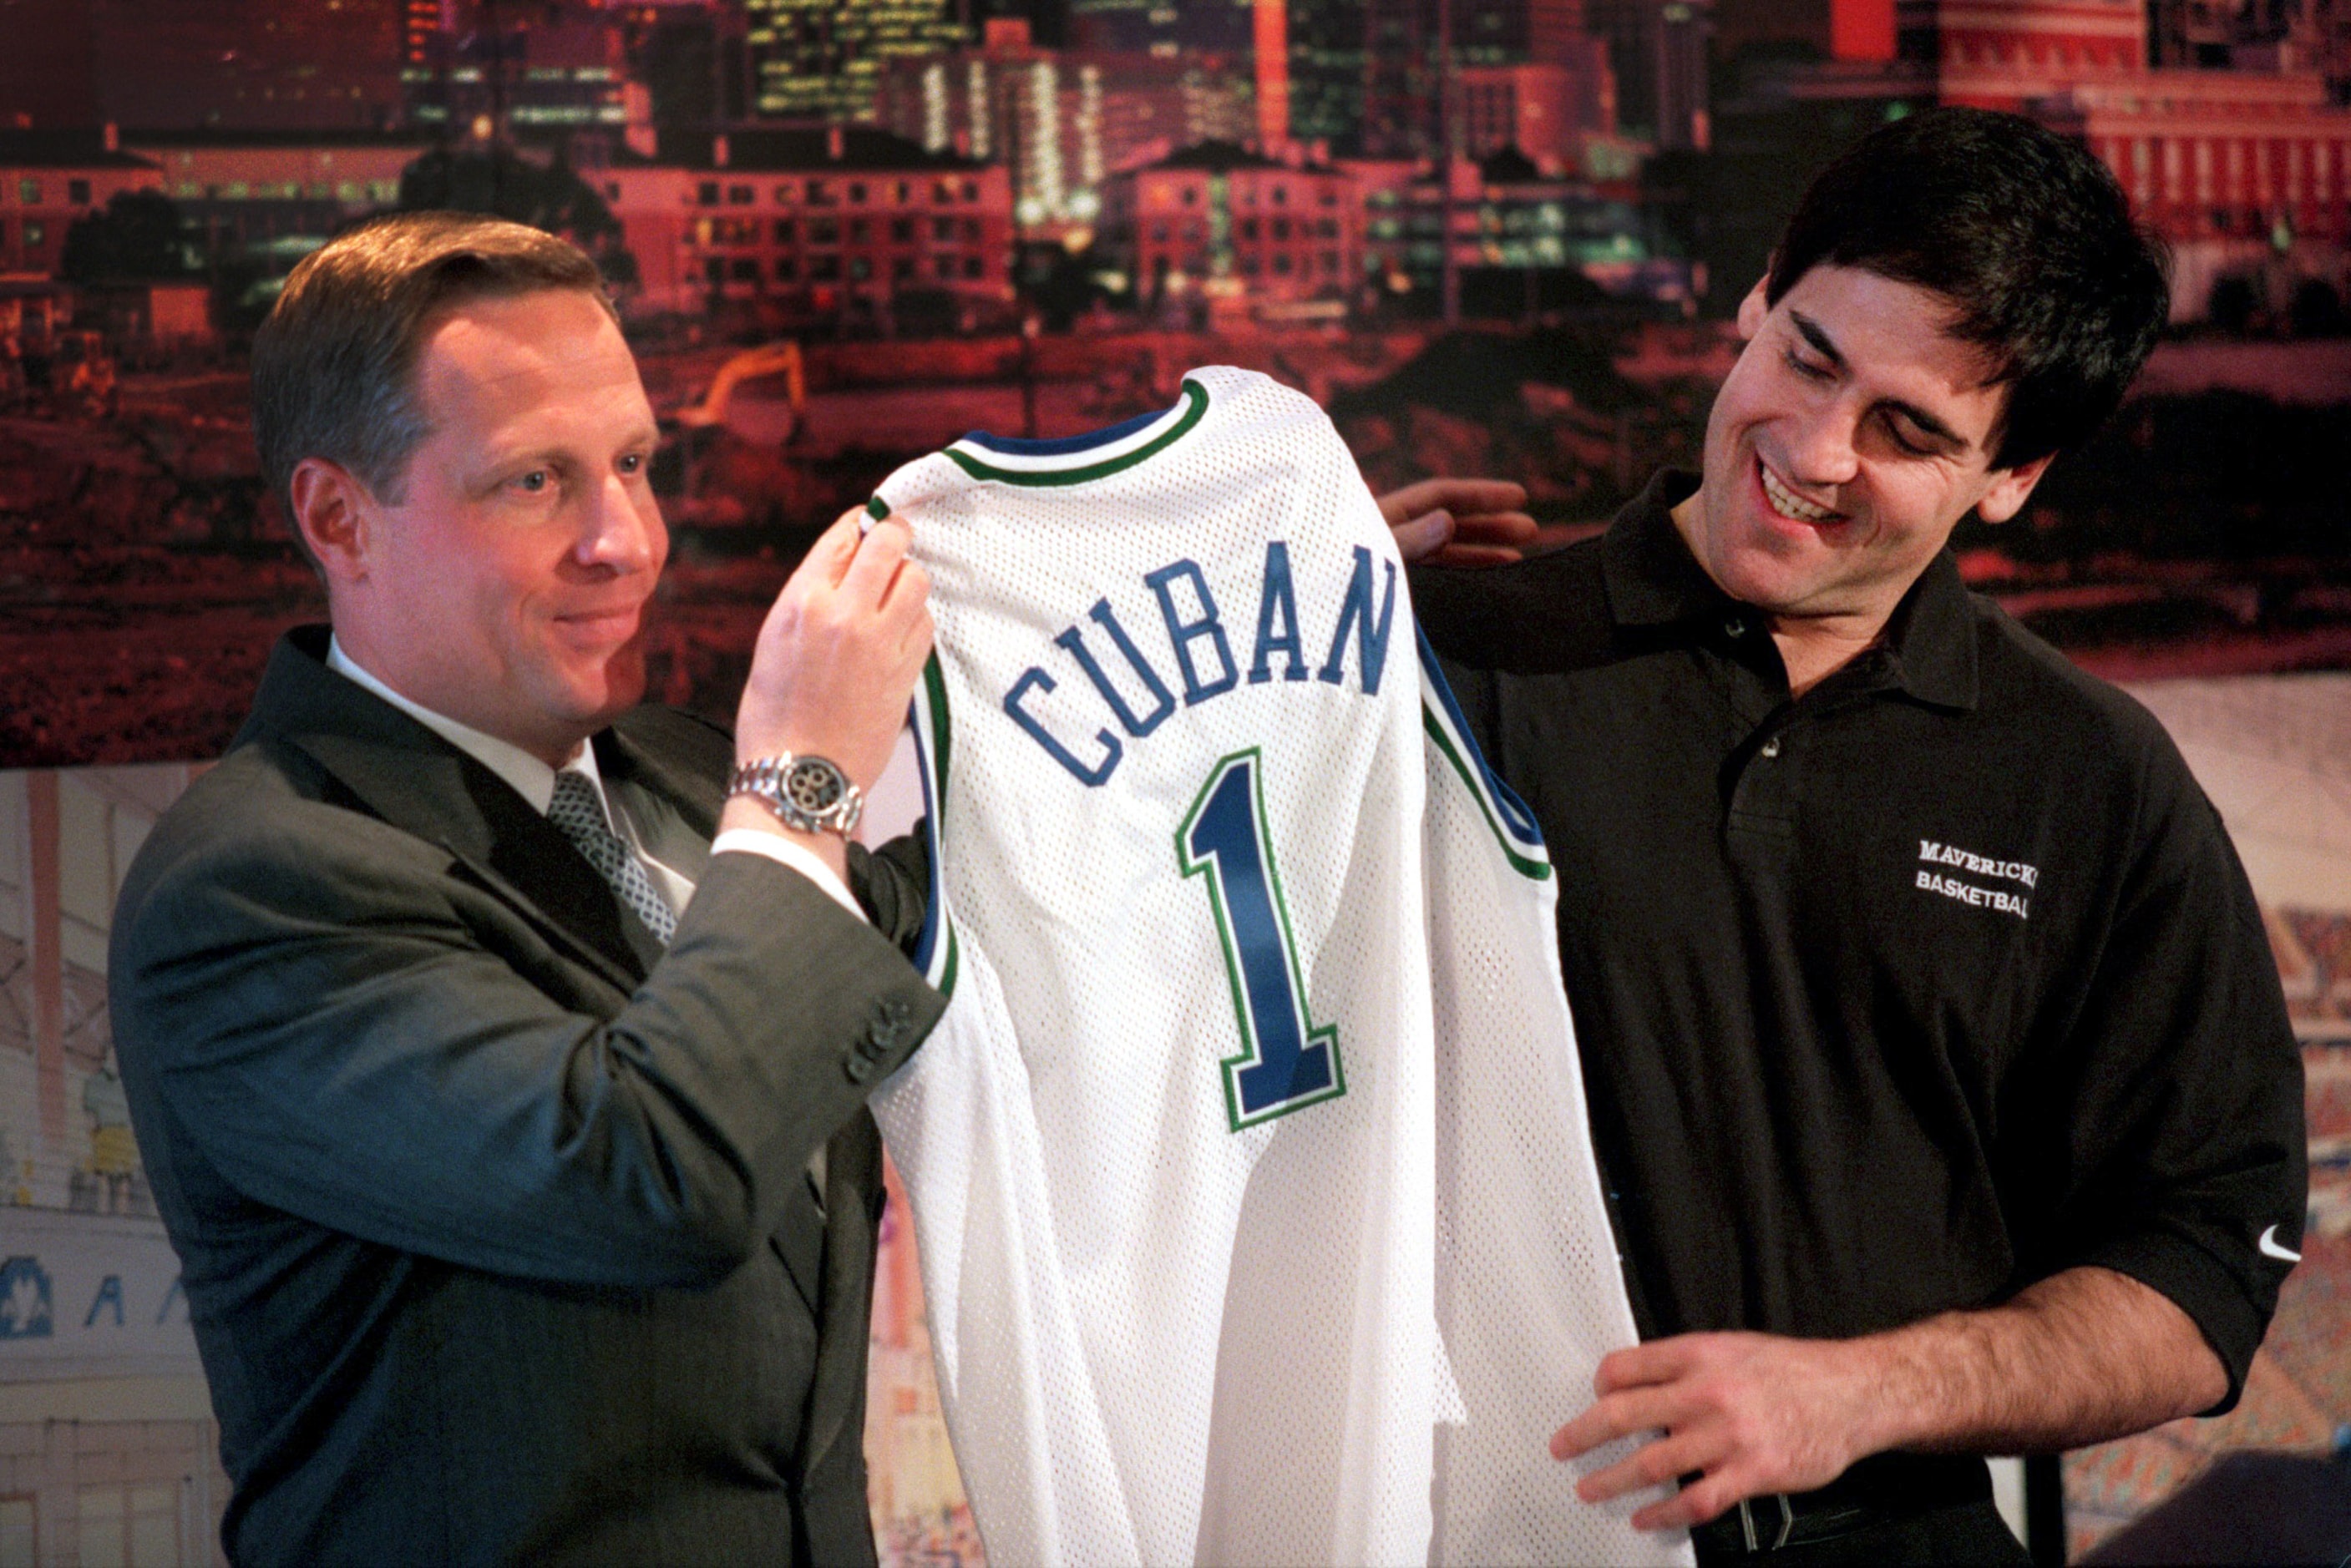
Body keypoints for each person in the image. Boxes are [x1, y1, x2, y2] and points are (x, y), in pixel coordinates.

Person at [1401, 107, 2306, 1565]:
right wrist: (1280, 652)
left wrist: (1860, 1390)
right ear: (1759, 298)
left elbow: (2203, 1269)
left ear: (2011, 478)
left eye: (1908, 430)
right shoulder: (1447, 665)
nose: (1813, 450)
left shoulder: (2090, 779)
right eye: (1808, 357)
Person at [109, 213, 941, 1566]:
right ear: (338, 518)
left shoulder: (677, 778)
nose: (627, 542)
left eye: (630, 463)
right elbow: (650, 1172)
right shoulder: (251, 886)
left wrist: (1296, 607)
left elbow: (971, 894)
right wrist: (797, 784)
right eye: (535, 482)